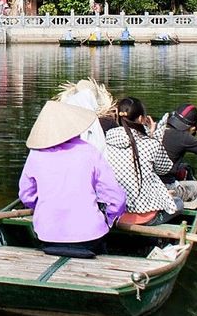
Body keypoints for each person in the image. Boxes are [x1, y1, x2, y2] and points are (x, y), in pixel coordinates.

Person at [18, 101, 127, 257]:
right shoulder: (89, 151)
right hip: (90, 235)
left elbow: (26, 195)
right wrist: (109, 218)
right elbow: (116, 198)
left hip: (47, 233)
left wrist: (44, 208)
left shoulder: (35, 155)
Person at [101, 97, 182, 226]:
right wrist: (152, 136)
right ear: (140, 119)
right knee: (178, 203)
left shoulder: (106, 140)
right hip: (145, 216)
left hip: (114, 213)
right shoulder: (150, 144)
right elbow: (164, 169)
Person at [156, 104, 197, 203]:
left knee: (185, 168)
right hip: (164, 187)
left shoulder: (157, 128)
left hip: (149, 182)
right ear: (192, 128)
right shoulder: (184, 137)